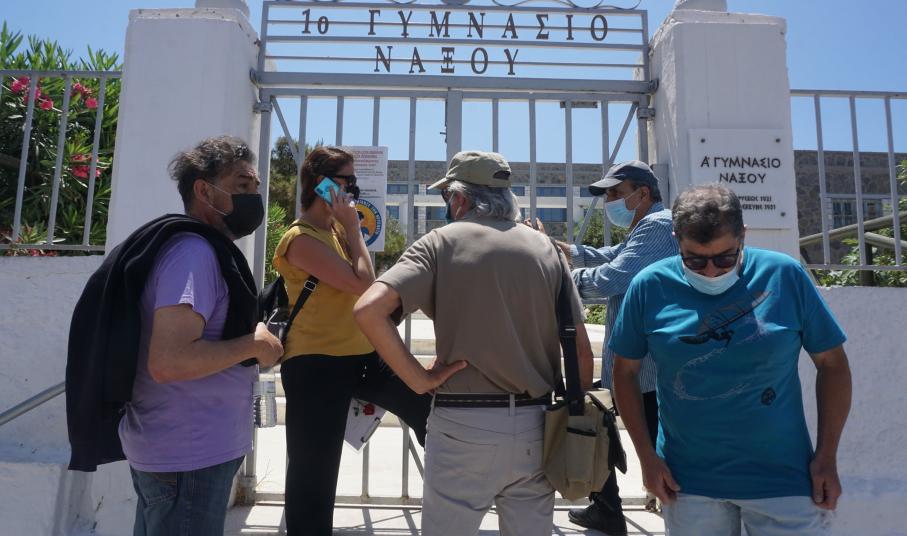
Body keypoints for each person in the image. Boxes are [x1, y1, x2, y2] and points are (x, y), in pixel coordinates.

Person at [353, 150, 595, 536]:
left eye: (446, 196)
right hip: (536, 424)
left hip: (462, 423)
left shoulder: (439, 243)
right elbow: (581, 349)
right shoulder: (545, 248)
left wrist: (418, 380)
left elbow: (369, 310)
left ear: (460, 198)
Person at [67, 136, 284, 536]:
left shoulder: (199, 250)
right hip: (188, 459)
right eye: (241, 185)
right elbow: (169, 362)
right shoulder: (193, 255)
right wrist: (254, 345)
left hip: (185, 454)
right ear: (204, 191)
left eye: (255, 187)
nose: (254, 197)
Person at [611, 185, 852, 536]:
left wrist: (827, 457)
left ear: (743, 236)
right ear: (677, 240)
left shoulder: (785, 276)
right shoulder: (649, 286)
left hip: (783, 480)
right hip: (688, 482)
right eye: (694, 260)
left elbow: (832, 364)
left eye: (724, 258)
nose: (710, 271)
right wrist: (647, 458)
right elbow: (624, 373)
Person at [272, 146, 432, 536]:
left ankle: (456, 491)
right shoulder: (300, 239)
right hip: (316, 363)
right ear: (322, 184)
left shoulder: (337, 233)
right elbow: (363, 284)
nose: (353, 190)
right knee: (314, 470)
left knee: (429, 410)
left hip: (362, 355)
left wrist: (348, 228)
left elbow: (368, 281)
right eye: (347, 181)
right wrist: (354, 228)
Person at [559, 160, 678, 535]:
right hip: (638, 368)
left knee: (657, 447)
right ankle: (607, 507)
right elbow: (612, 256)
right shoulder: (644, 229)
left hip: (648, 370)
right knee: (606, 426)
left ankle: (676, 515)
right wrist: (565, 251)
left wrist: (560, 278)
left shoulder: (658, 225)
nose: (609, 200)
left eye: (615, 192)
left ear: (643, 193)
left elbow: (614, 277)